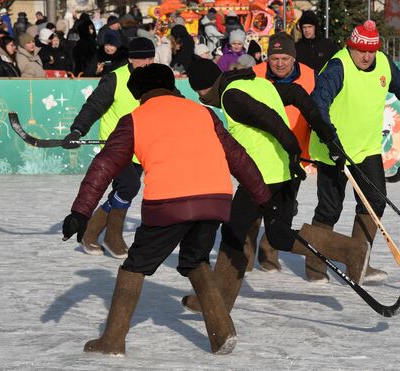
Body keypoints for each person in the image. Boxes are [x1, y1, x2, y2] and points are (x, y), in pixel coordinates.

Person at [62, 63, 272, 356]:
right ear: (171, 87)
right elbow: (238, 157)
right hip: (215, 200)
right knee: (195, 261)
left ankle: (111, 341)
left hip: (169, 203)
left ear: (139, 94)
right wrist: (263, 197)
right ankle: (222, 331)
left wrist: (81, 212)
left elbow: (104, 166)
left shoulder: (134, 119)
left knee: (135, 266)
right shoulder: (204, 113)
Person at [181, 59, 358, 314]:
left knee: (233, 232)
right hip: (285, 172)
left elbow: (270, 119)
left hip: (263, 176)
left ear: (208, 87)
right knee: (279, 235)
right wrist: (323, 130)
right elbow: (296, 93)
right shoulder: (258, 84)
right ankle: (352, 249)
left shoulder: (232, 97)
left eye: (200, 93)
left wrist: (294, 149)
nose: (201, 99)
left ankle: (215, 301)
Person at [309, 20, 400, 284]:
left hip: (367, 147)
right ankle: (314, 264)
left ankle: (358, 263)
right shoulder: (339, 67)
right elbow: (318, 103)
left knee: (374, 202)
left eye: (371, 50)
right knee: (330, 209)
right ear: (350, 47)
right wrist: (330, 138)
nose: (366, 56)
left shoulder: (382, 63)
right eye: (361, 50)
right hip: (333, 148)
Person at [61, 37, 156, 259]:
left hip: (141, 147)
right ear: (131, 59)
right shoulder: (115, 78)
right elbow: (93, 106)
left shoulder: (157, 78)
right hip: (116, 146)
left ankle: (92, 234)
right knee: (129, 186)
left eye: (150, 57)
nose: (147, 62)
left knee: (124, 191)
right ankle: (112, 237)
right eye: (142, 58)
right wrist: (77, 130)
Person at [247, 32, 317, 275]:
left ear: (293, 58)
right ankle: (243, 258)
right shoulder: (254, 75)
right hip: (259, 152)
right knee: (252, 207)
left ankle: (268, 251)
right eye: (274, 58)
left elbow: (317, 111)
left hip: (293, 155)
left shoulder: (309, 75)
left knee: (284, 209)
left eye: (284, 58)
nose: (279, 63)